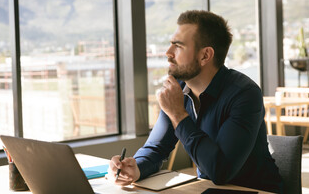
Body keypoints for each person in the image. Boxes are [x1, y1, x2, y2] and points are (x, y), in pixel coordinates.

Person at [108, 10, 283, 193]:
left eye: (178, 46)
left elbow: (220, 172)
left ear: (205, 56)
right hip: (208, 189)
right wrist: (136, 168)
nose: (168, 53)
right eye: (170, 45)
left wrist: (178, 114)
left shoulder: (245, 94)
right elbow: (156, 147)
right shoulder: (179, 91)